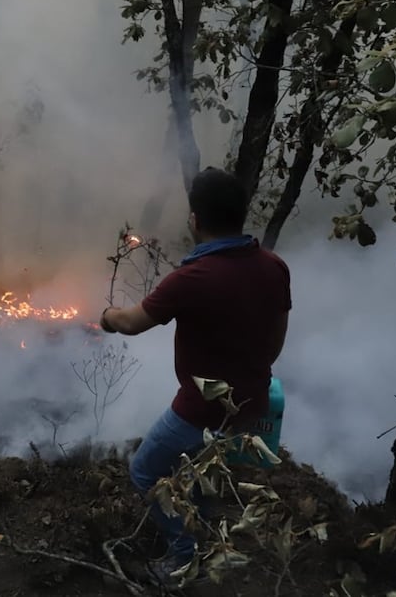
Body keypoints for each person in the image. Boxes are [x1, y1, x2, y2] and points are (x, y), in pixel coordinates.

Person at [98, 167, 291, 584]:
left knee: (145, 470)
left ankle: (183, 559)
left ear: (195, 220)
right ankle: (207, 546)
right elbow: (277, 340)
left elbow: (132, 323)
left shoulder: (191, 279)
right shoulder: (274, 267)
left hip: (201, 409)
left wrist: (106, 317)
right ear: (242, 215)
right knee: (205, 475)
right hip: (249, 403)